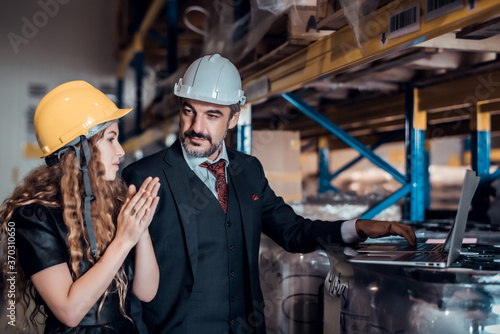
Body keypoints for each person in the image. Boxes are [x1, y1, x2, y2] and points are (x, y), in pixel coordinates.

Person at [122, 54, 416, 334]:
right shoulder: (144, 176)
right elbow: (125, 279)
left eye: (212, 115)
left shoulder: (248, 171)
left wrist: (355, 227)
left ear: (233, 119)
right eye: (189, 111)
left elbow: (292, 232)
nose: (197, 127)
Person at [1, 81, 160, 333]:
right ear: (79, 150)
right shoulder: (33, 217)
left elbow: (147, 291)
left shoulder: (115, 202)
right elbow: (70, 312)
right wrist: (124, 239)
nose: (120, 151)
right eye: (110, 139)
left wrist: (141, 226)